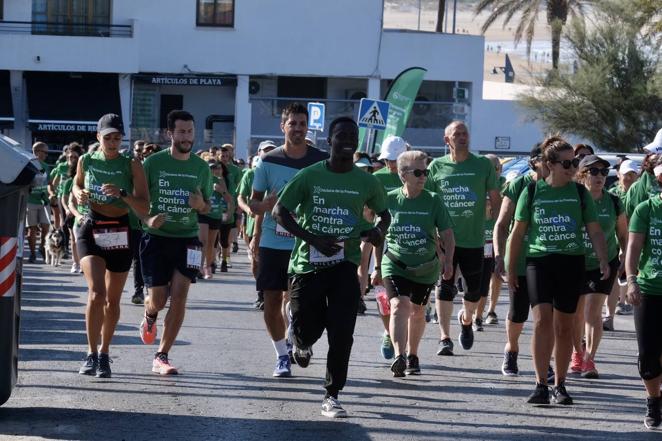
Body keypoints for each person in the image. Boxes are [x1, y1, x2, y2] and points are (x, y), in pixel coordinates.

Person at [273, 116, 390, 418]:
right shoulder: (311, 175)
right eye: (341, 135)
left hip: (344, 263)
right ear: (330, 140)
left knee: (342, 331)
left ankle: (332, 394)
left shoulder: (366, 181)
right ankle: (301, 341)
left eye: (353, 134)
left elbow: (384, 215)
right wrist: (312, 238)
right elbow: (279, 212)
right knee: (307, 327)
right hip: (308, 264)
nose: (348, 139)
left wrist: (378, 230)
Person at [508, 136, 609, 405]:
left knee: (564, 327)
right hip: (539, 262)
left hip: (571, 262)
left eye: (574, 162)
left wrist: (602, 259)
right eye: (567, 162)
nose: (572, 167)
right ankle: (540, 384)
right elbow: (517, 233)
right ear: (550, 164)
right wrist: (507, 266)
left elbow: (595, 230)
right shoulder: (531, 192)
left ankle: (560, 384)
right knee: (542, 322)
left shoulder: (579, 193)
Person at [249, 103, 329, 377]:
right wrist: (266, 207)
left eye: (302, 124)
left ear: (308, 128)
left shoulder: (321, 160)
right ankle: (282, 355)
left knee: (306, 304)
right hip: (274, 242)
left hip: (308, 244)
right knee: (272, 301)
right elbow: (253, 203)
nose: (297, 129)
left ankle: (302, 339)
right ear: (283, 127)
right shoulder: (268, 161)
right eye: (292, 123)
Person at [72, 113, 149, 378]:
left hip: (120, 231)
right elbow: (76, 184)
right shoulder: (87, 159)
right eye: (108, 138)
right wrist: (78, 193)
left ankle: (104, 354)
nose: (113, 142)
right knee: (97, 293)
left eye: (117, 137)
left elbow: (144, 206)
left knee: (113, 300)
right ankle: (90, 353)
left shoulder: (132, 164)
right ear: (98, 137)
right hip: (92, 228)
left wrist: (123, 194)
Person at [138, 109, 212, 375]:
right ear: (170, 133)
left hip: (188, 240)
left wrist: (200, 204)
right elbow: (139, 201)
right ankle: (150, 314)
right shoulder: (152, 164)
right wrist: (147, 220)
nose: (187, 137)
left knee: (179, 298)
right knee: (158, 300)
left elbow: (208, 207)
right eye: (181, 131)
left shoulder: (201, 167)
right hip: (157, 239)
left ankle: (162, 355)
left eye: (190, 131)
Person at [373, 150, 454, 377]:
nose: (423, 176)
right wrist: (376, 267)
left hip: (426, 267)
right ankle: (399, 355)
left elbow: (447, 234)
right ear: (402, 175)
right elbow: (377, 236)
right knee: (400, 306)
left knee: (418, 312)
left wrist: (448, 261)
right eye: (417, 172)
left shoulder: (433, 200)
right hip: (395, 263)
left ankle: (413, 354)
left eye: (425, 172)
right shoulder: (389, 200)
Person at [427, 121, 501, 355]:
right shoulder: (436, 166)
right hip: (445, 239)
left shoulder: (481, 165)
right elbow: (428, 201)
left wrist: (500, 226)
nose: (462, 137)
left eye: (465, 133)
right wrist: (433, 234)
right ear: (446, 140)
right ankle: (444, 337)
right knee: (444, 287)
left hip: (473, 239)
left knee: (474, 292)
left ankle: (467, 319)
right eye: (456, 134)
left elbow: (496, 198)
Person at [494, 144, 549, 376]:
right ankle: (512, 348)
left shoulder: (564, 188)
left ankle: (545, 360)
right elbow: (501, 225)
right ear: (534, 161)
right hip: (519, 260)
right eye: (547, 159)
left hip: (548, 260)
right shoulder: (519, 185)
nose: (551, 164)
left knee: (546, 316)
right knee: (518, 313)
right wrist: (499, 257)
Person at [570, 155, 627, 378]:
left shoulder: (613, 201)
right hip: (575, 260)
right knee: (576, 314)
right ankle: (577, 352)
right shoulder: (574, 198)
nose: (600, 177)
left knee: (593, 312)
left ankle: (589, 359)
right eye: (594, 172)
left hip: (605, 261)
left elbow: (623, 233)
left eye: (604, 173)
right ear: (583, 174)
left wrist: (625, 257)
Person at [625, 185, 662, 429]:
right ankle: (653, 399)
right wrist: (631, 280)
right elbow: (634, 247)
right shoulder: (646, 209)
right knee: (648, 354)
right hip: (650, 289)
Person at [370, 136, 409, 358]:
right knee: (383, 297)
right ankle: (388, 331)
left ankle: (404, 348)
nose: (391, 164)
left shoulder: (415, 177)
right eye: (388, 160)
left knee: (406, 302)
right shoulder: (377, 178)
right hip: (381, 245)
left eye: (395, 160)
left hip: (410, 246)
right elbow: (368, 215)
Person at [238, 141, 276, 309]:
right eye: (265, 151)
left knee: (267, 262)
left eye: (272, 151)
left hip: (271, 226)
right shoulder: (251, 174)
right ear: (259, 153)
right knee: (255, 262)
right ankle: (261, 291)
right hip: (252, 223)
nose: (268, 154)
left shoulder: (277, 172)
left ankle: (266, 293)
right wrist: (248, 209)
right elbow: (241, 197)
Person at [604, 159, 641, 329]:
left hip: (633, 239)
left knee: (626, 274)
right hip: (614, 239)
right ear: (619, 175)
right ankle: (609, 315)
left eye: (632, 174)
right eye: (626, 174)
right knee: (614, 276)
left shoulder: (640, 194)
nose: (629, 178)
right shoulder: (612, 194)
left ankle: (621, 301)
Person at [473, 154, 505, 330]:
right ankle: (473, 311)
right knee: (478, 276)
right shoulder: (476, 183)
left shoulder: (505, 184)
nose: (493, 172)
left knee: (495, 273)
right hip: (477, 236)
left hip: (496, 236)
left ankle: (490, 310)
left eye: (495, 168)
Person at [199, 160, 233, 278]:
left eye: (218, 168)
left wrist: (221, 191)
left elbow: (229, 199)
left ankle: (207, 266)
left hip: (215, 215)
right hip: (203, 214)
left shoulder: (220, 181)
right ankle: (199, 268)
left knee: (210, 243)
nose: (215, 170)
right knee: (202, 241)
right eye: (212, 168)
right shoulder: (202, 179)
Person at [59, 144, 84, 273]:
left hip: (86, 212)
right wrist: (68, 210)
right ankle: (76, 263)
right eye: (70, 157)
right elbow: (64, 197)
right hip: (73, 212)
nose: (72, 159)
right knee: (74, 238)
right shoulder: (69, 181)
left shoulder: (88, 178)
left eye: (75, 157)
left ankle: (84, 262)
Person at [26, 142, 52, 264]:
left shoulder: (46, 166)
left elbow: (49, 183)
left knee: (46, 227)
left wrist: (52, 194)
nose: (46, 155)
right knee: (32, 229)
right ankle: (32, 253)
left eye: (47, 152)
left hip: (44, 201)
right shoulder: (28, 165)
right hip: (30, 201)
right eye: (44, 152)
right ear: (36, 151)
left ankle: (41, 247)